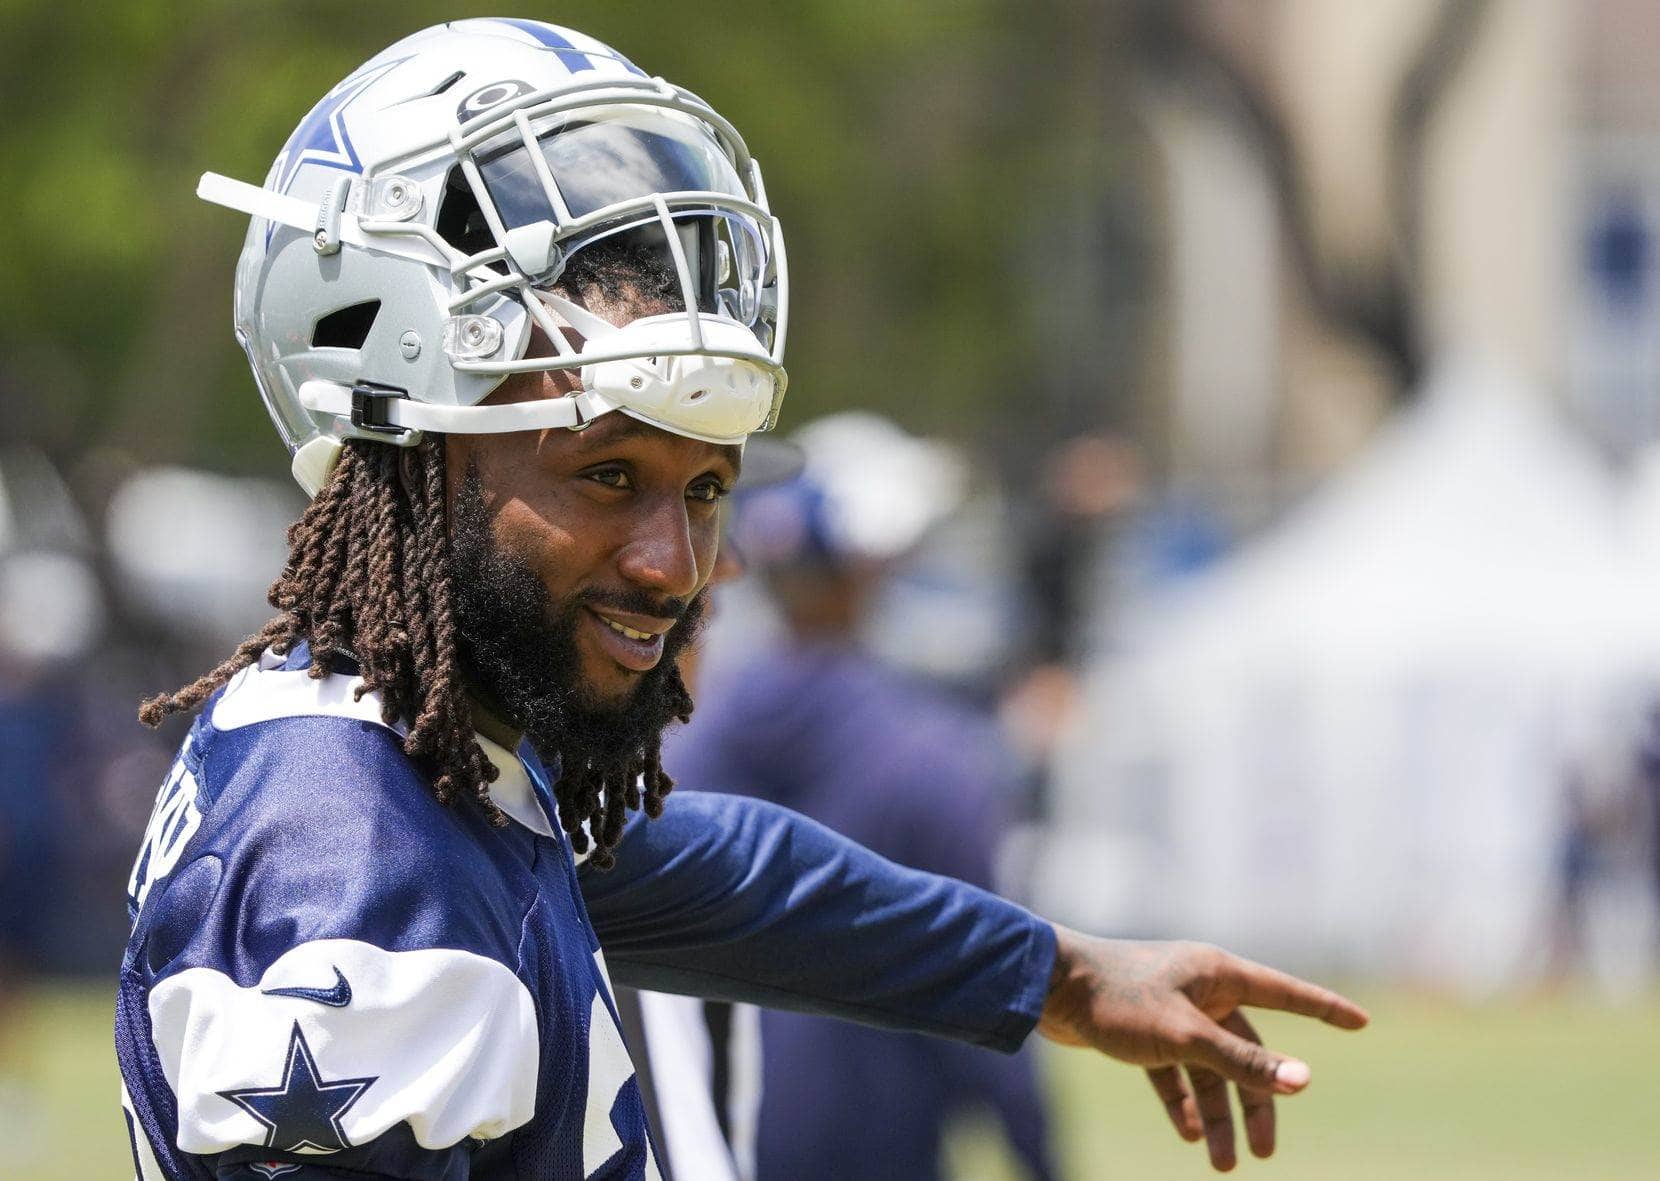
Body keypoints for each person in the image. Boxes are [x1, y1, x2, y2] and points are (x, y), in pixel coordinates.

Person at [116, 19, 1367, 1181]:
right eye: (608, 473)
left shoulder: (395, 743)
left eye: (706, 487)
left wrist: (1063, 971)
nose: (674, 564)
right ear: (405, 445)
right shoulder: (369, 880)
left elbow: (723, 875)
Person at [668, 416, 1057, 1181]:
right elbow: (979, 984)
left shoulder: (675, 748)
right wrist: (1042, 1158)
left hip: (702, 1148)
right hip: (885, 1146)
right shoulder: (929, 755)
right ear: (870, 567)